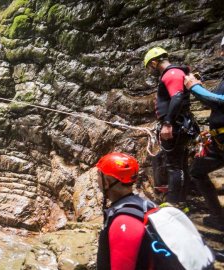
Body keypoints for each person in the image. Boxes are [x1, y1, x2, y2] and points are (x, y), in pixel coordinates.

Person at [144, 47, 196, 204]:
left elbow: (177, 97)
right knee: (180, 166)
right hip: (180, 125)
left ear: (154, 63)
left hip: (176, 126)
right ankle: (181, 204)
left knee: (175, 167)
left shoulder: (171, 73)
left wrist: (167, 124)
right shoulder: (174, 73)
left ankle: (174, 207)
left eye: (149, 68)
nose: (150, 71)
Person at [183, 37, 224, 230]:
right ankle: (218, 218)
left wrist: (195, 87)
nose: (221, 53)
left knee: (197, 172)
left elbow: (218, 102)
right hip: (219, 141)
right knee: (197, 171)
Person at [96, 152, 155, 269]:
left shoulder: (122, 222)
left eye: (99, 175)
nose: (97, 179)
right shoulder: (147, 205)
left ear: (107, 182)